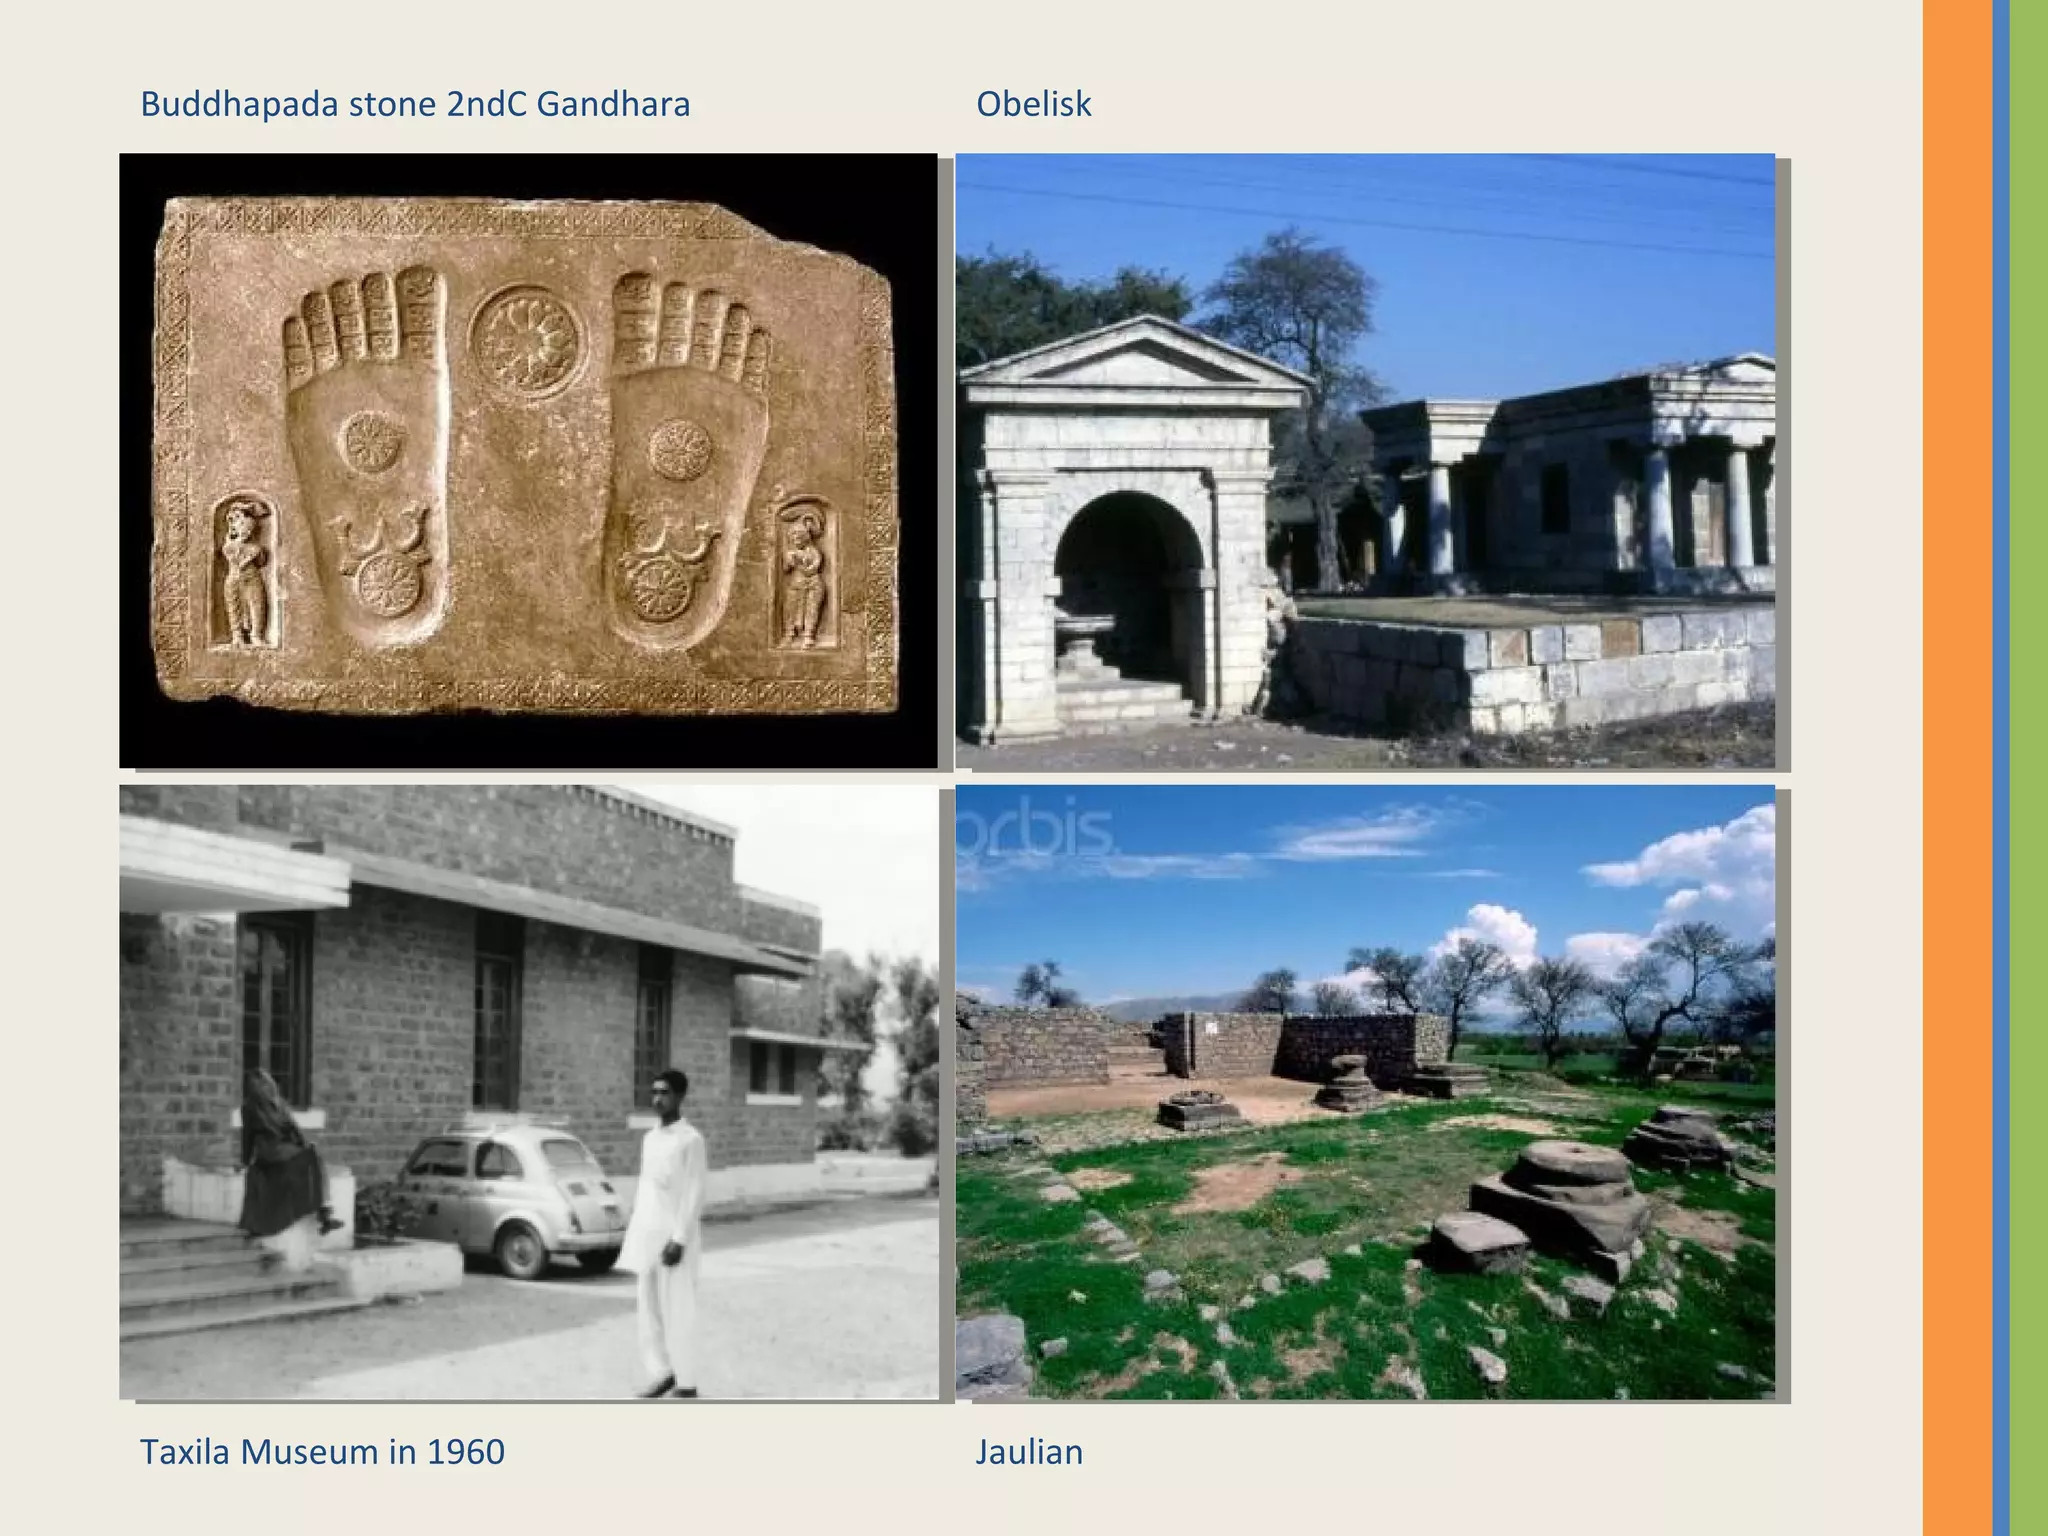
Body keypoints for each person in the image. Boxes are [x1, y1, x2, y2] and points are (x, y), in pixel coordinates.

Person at [620, 1067, 707, 1399]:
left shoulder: (691, 1140)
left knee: (679, 1309)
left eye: (665, 1093)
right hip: (649, 1232)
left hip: (675, 1239)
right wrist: (638, 1231)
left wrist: (679, 1239)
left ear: (680, 1097)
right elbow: (647, 1189)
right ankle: (662, 1372)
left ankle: (687, 1382)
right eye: (654, 1092)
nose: (658, 1099)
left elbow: (694, 1192)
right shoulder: (649, 1139)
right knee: (649, 1307)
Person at [238, 1068, 343, 1252]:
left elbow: (248, 1137)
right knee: (313, 1160)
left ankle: (323, 1213)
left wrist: (245, 1161)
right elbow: (294, 1129)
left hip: (269, 1155)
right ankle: (324, 1212)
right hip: (282, 1152)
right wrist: (304, 1146)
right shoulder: (279, 1105)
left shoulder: (249, 1108)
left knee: (306, 1161)